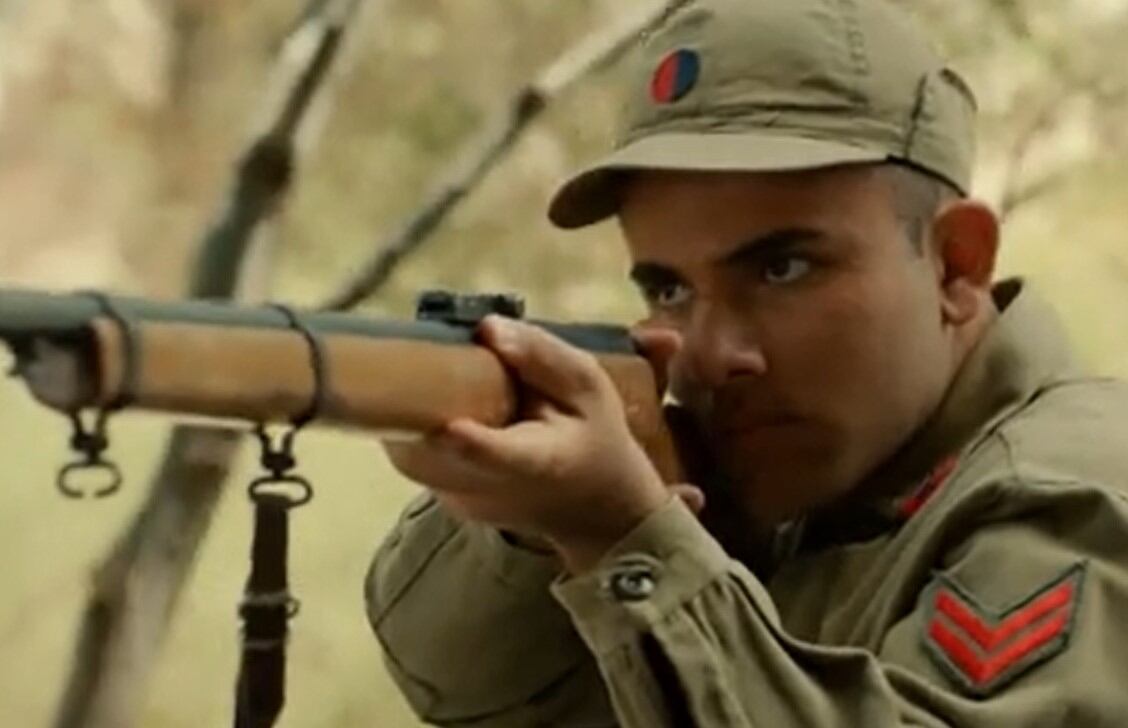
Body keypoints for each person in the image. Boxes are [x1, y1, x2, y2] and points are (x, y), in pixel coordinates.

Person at [365, 0, 1128, 725]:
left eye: (781, 269)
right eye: (667, 288)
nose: (708, 356)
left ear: (956, 264)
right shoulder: (816, 469)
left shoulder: (1073, 495)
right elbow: (465, 689)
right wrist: (537, 524)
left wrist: (623, 540)